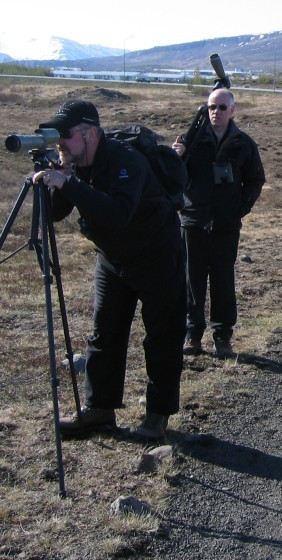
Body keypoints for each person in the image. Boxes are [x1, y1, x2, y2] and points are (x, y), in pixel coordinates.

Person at [33, 99, 186, 440]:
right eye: (56, 136)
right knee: (104, 334)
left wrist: (69, 183)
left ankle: (157, 415)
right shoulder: (75, 161)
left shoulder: (125, 161)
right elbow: (56, 214)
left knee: (162, 336)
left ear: (90, 133)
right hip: (113, 258)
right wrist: (59, 180)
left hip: (157, 256)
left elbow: (118, 213)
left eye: (66, 135)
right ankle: (100, 410)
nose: (60, 143)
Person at [172, 88, 265, 358]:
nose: (217, 112)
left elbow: (255, 180)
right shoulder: (191, 141)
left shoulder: (243, 144)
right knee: (192, 280)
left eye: (223, 107)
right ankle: (192, 334)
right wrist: (175, 157)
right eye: (212, 107)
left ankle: (222, 337)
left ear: (233, 110)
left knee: (223, 279)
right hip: (193, 222)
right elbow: (173, 177)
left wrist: (239, 209)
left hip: (226, 225)